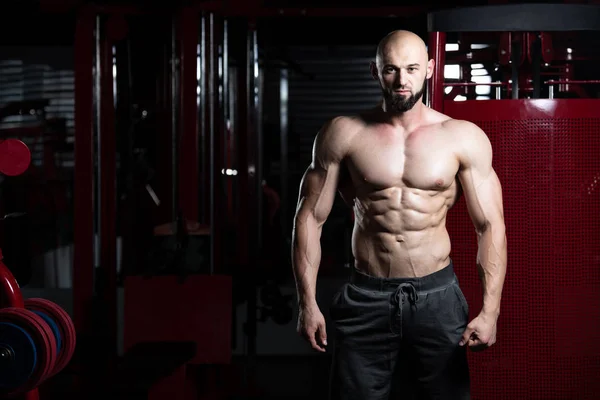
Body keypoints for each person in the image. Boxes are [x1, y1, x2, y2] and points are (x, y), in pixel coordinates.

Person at [291, 30, 507, 400]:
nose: (402, 80)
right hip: (365, 295)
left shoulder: (462, 137)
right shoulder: (342, 134)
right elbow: (310, 218)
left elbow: (490, 226)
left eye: (411, 68)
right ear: (375, 72)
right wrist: (307, 304)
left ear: (429, 69)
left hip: (437, 297)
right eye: (390, 69)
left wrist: (491, 311)